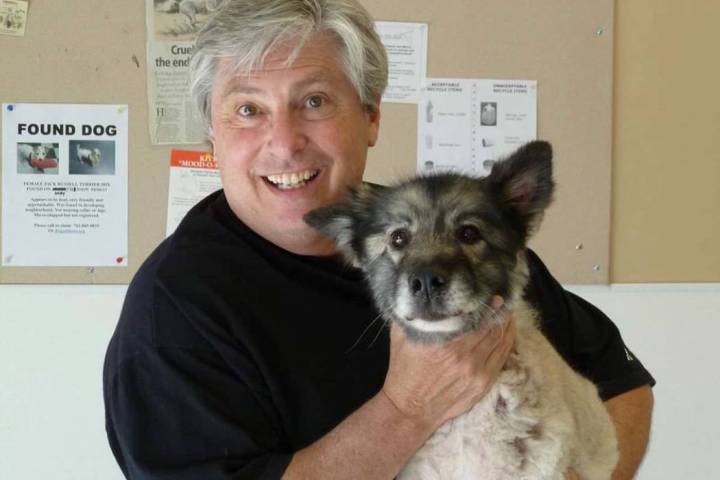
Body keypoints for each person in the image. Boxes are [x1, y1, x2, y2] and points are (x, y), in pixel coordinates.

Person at [103, 1, 655, 478]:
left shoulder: (466, 238)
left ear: (369, 117)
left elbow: (621, 385)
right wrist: (406, 408)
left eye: (314, 101)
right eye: (248, 109)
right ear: (213, 136)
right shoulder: (174, 318)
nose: (285, 142)